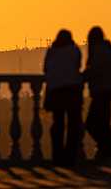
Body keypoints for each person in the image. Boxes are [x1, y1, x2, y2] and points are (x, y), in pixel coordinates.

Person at [84, 26, 111, 163]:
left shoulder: (98, 51)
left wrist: (84, 75)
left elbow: (95, 70)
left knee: (92, 124)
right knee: (103, 124)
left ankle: (108, 149)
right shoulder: (105, 51)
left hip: (100, 91)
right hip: (106, 91)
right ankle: (108, 150)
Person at [43, 29, 84, 167]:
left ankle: (57, 156)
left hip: (56, 91)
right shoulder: (74, 50)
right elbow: (78, 66)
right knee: (73, 125)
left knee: (58, 124)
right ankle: (70, 156)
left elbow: (45, 69)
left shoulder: (51, 51)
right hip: (72, 91)